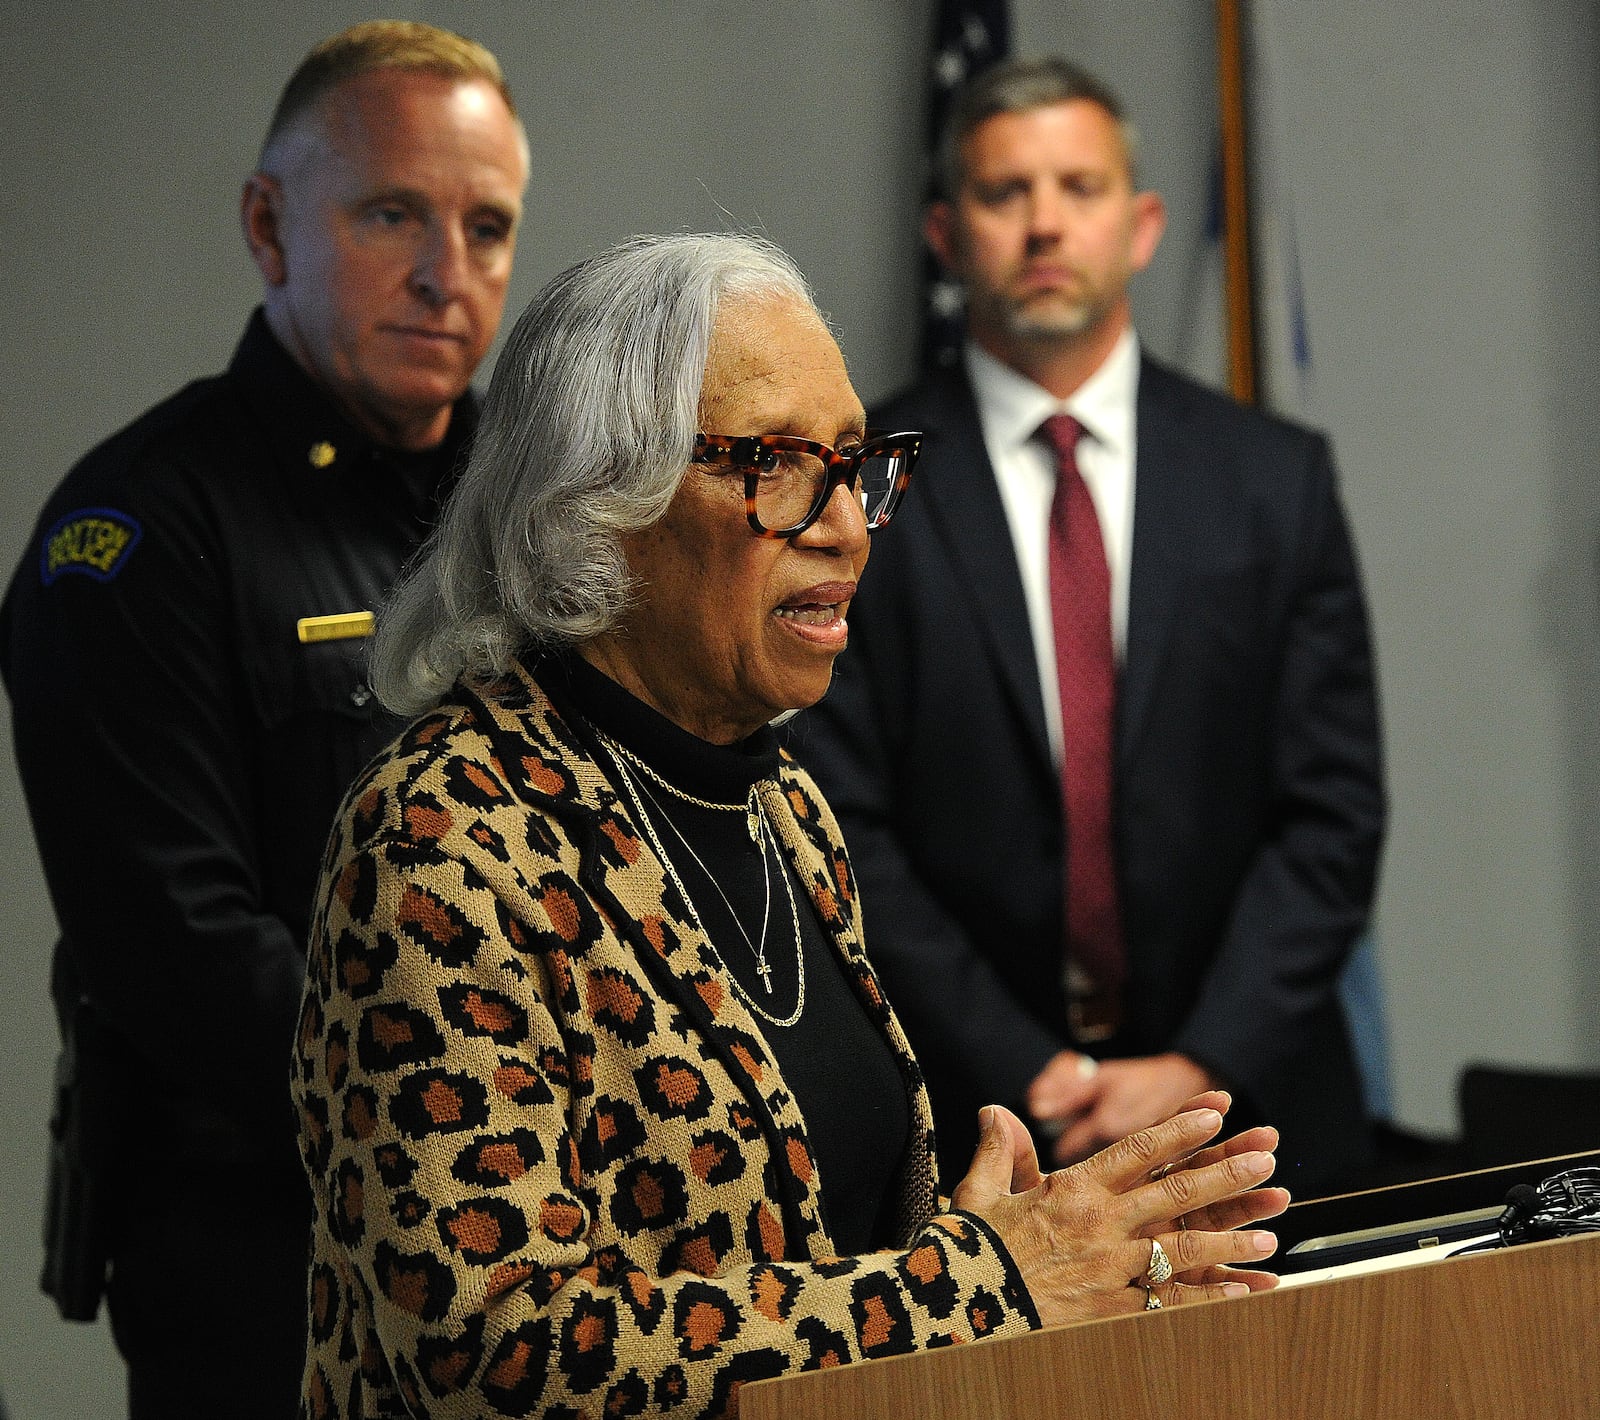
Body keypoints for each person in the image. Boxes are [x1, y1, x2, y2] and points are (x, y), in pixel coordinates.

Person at [291, 232, 1289, 1417]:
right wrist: (984, 1280)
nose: (849, 527)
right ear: (598, 500)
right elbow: (496, 1356)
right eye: (776, 464)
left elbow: (808, 1269)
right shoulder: (439, 837)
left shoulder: (784, 807)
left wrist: (988, 1244)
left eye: (857, 465)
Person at [1, 21, 529, 1417]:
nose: (445, 274)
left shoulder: (535, 520)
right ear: (267, 222)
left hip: (531, 1251)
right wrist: (474, 1110)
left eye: (487, 227)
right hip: (266, 1260)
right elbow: (181, 947)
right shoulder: (136, 532)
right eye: (391, 213)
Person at [787, 57, 1385, 1194]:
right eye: (1005, 193)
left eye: (1079, 186)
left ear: (1144, 223)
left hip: (1254, 1101)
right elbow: (837, 821)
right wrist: (1037, 1070)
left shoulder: (1273, 479)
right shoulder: (862, 485)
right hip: (970, 1123)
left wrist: (1197, 1062)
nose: (1045, 222)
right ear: (944, 231)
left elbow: (1333, 815)